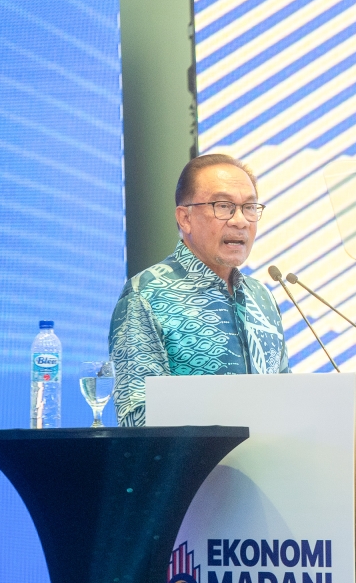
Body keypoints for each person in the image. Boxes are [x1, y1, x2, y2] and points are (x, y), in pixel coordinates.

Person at [109, 154, 289, 426]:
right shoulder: (145, 295)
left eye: (249, 207)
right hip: (191, 456)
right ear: (185, 218)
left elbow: (287, 395)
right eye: (223, 206)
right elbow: (137, 416)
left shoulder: (261, 297)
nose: (240, 221)